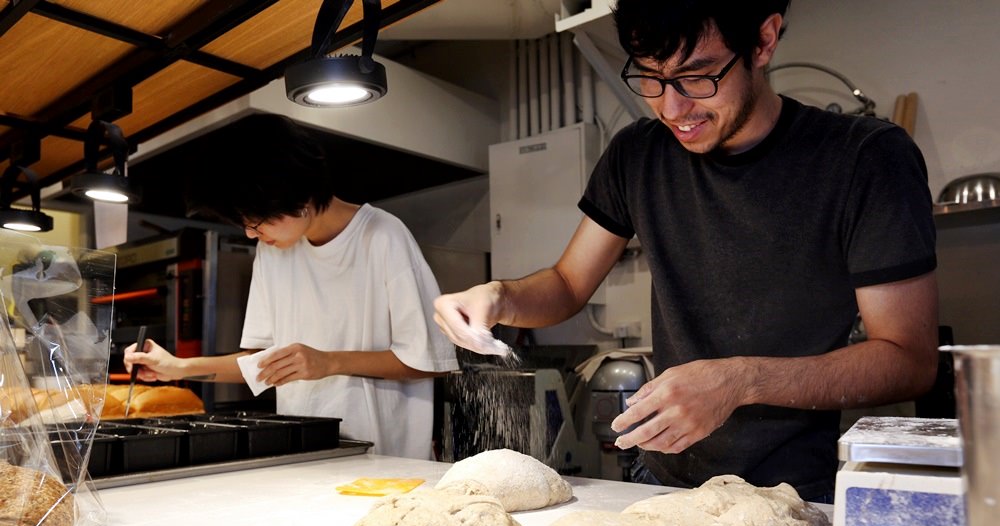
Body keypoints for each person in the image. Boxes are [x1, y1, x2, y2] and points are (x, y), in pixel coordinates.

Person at [433, 1, 939, 500]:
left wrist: (740, 381)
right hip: (660, 482)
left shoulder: (864, 159)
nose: (671, 109)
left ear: (763, 41)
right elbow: (567, 285)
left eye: (697, 77)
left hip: (795, 494)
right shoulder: (637, 155)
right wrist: (499, 296)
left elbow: (908, 360)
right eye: (651, 77)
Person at [124, 113, 458, 459]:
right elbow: (264, 363)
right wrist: (177, 366)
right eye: (244, 223)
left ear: (300, 199)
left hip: (387, 465)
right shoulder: (270, 253)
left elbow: (430, 360)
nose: (252, 233)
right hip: (307, 457)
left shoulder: (383, 237)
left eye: (257, 221)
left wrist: (328, 362)